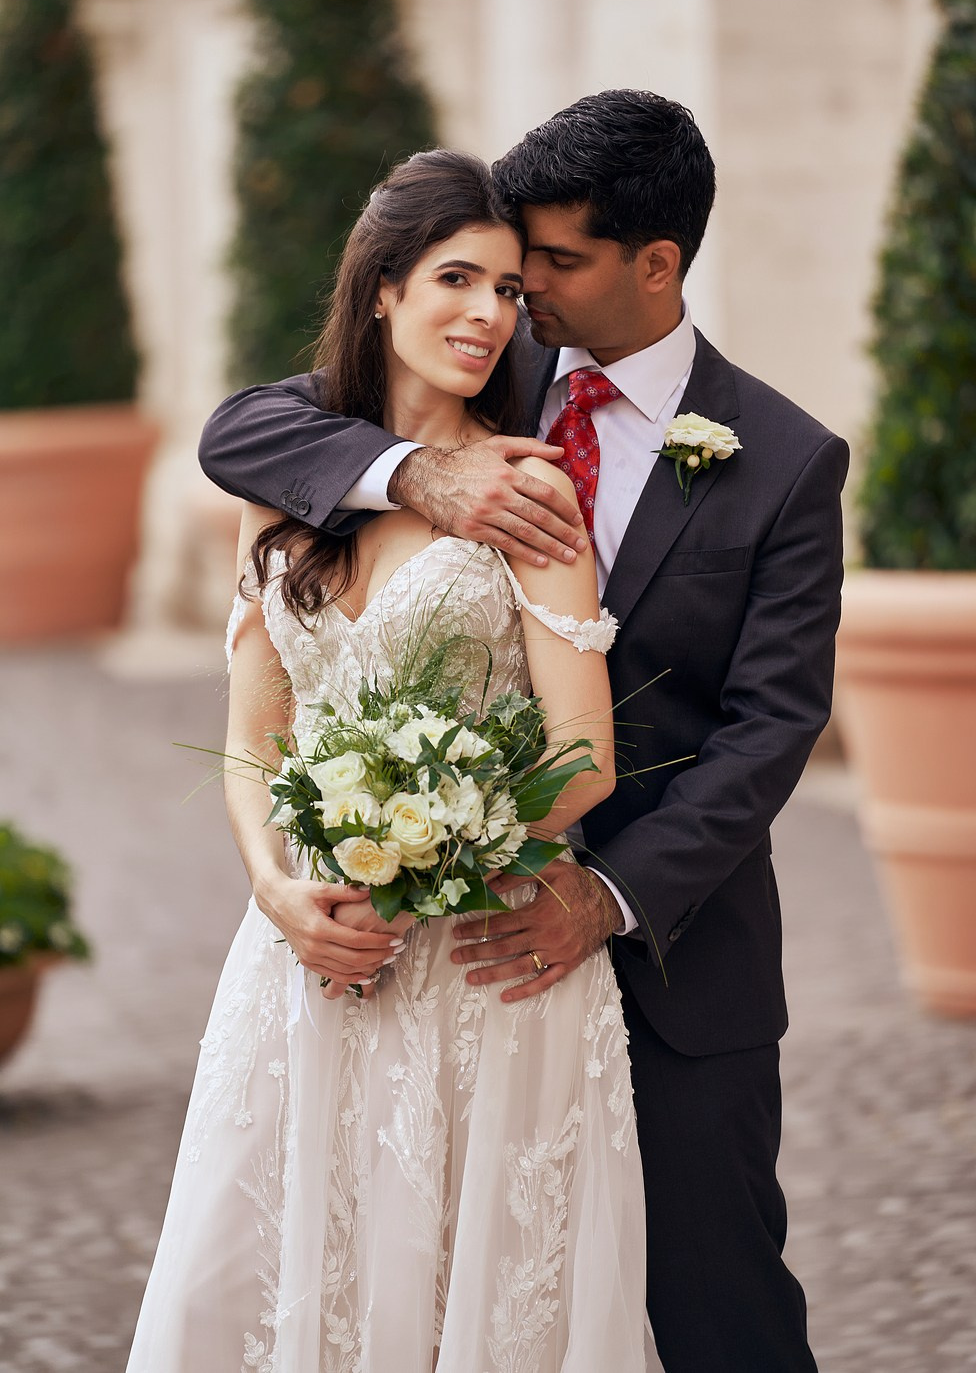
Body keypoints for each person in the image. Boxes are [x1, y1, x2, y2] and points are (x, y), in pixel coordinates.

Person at [199, 90, 851, 1372]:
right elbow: (243, 433)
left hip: (664, 951)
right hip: (417, 952)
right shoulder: (480, 358)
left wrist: (602, 896)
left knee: (714, 1298)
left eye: (551, 262)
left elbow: (772, 729)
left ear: (653, 264)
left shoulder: (781, 460)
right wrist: (415, 475)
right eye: (499, 264)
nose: (517, 291)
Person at [126, 149, 658, 1373]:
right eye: (455, 280)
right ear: (381, 289)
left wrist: (443, 849)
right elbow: (256, 739)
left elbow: (583, 763)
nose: (487, 315)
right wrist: (275, 888)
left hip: (484, 961)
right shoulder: (286, 484)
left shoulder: (532, 491)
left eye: (511, 293)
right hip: (313, 955)